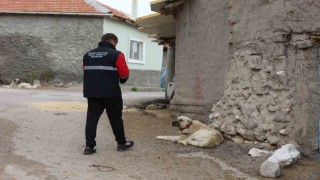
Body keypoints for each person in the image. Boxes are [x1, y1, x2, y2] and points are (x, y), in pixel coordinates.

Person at [82, 33, 133, 155]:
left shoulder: (87, 55)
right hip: (111, 93)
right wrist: (122, 80)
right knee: (115, 118)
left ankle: (89, 147)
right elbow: (124, 73)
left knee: (91, 119)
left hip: (92, 93)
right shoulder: (117, 54)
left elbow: (86, 70)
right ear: (114, 42)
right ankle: (121, 143)